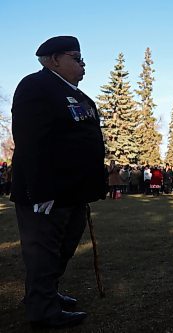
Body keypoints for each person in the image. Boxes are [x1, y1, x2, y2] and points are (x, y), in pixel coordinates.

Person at [10, 36, 106, 328]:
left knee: (63, 248)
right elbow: (30, 142)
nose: (83, 64)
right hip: (47, 191)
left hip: (73, 192)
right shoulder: (36, 87)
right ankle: (43, 312)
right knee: (44, 251)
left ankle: (45, 293)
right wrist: (40, 191)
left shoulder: (79, 95)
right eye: (76, 58)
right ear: (54, 59)